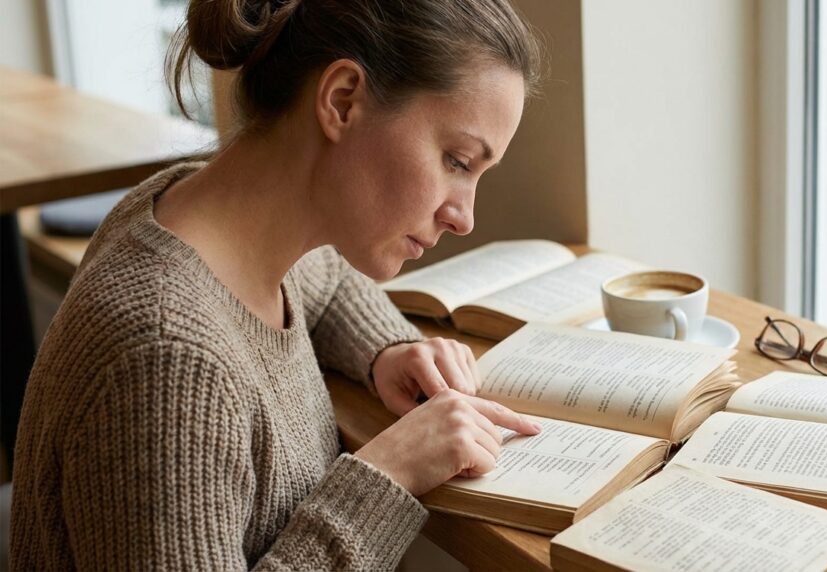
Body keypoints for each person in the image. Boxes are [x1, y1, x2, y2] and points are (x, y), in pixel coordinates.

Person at [10, 0, 544, 569]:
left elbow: (327, 282)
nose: (464, 217)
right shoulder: (167, 360)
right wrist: (384, 478)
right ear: (342, 100)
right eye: (457, 161)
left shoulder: (206, 209)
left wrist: (390, 349)